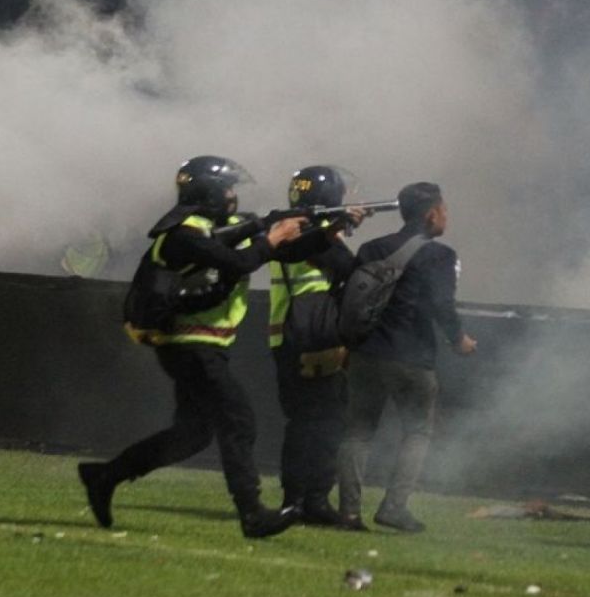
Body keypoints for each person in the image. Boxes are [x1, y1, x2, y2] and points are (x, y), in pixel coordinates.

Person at [78, 156, 307, 539]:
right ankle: (252, 513)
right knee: (238, 421)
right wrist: (271, 237)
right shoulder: (185, 234)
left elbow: (259, 248)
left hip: (197, 345)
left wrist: (323, 227)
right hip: (191, 344)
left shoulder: (204, 230)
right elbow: (239, 260)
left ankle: (105, 475)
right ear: (211, 194)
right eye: (229, 189)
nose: (234, 197)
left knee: (193, 434)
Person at [337, 182, 476, 533]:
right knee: (417, 432)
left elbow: (349, 297)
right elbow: (442, 304)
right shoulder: (440, 255)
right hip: (412, 357)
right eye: (445, 210)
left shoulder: (372, 248)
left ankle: (349, 513)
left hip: (366, 353)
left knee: (358, 432)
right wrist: (458, 339)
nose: (446, 217)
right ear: (432, 213)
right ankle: (394, 507)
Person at [267, 166, 366, 528]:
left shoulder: (297, 228)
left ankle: (303, 499)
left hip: (293, 338)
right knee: (320, 423)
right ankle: (307, 500)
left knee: (311, 423)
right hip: (310, 340)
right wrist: (340, 226)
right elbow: (351, 268)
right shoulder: (307, 232)